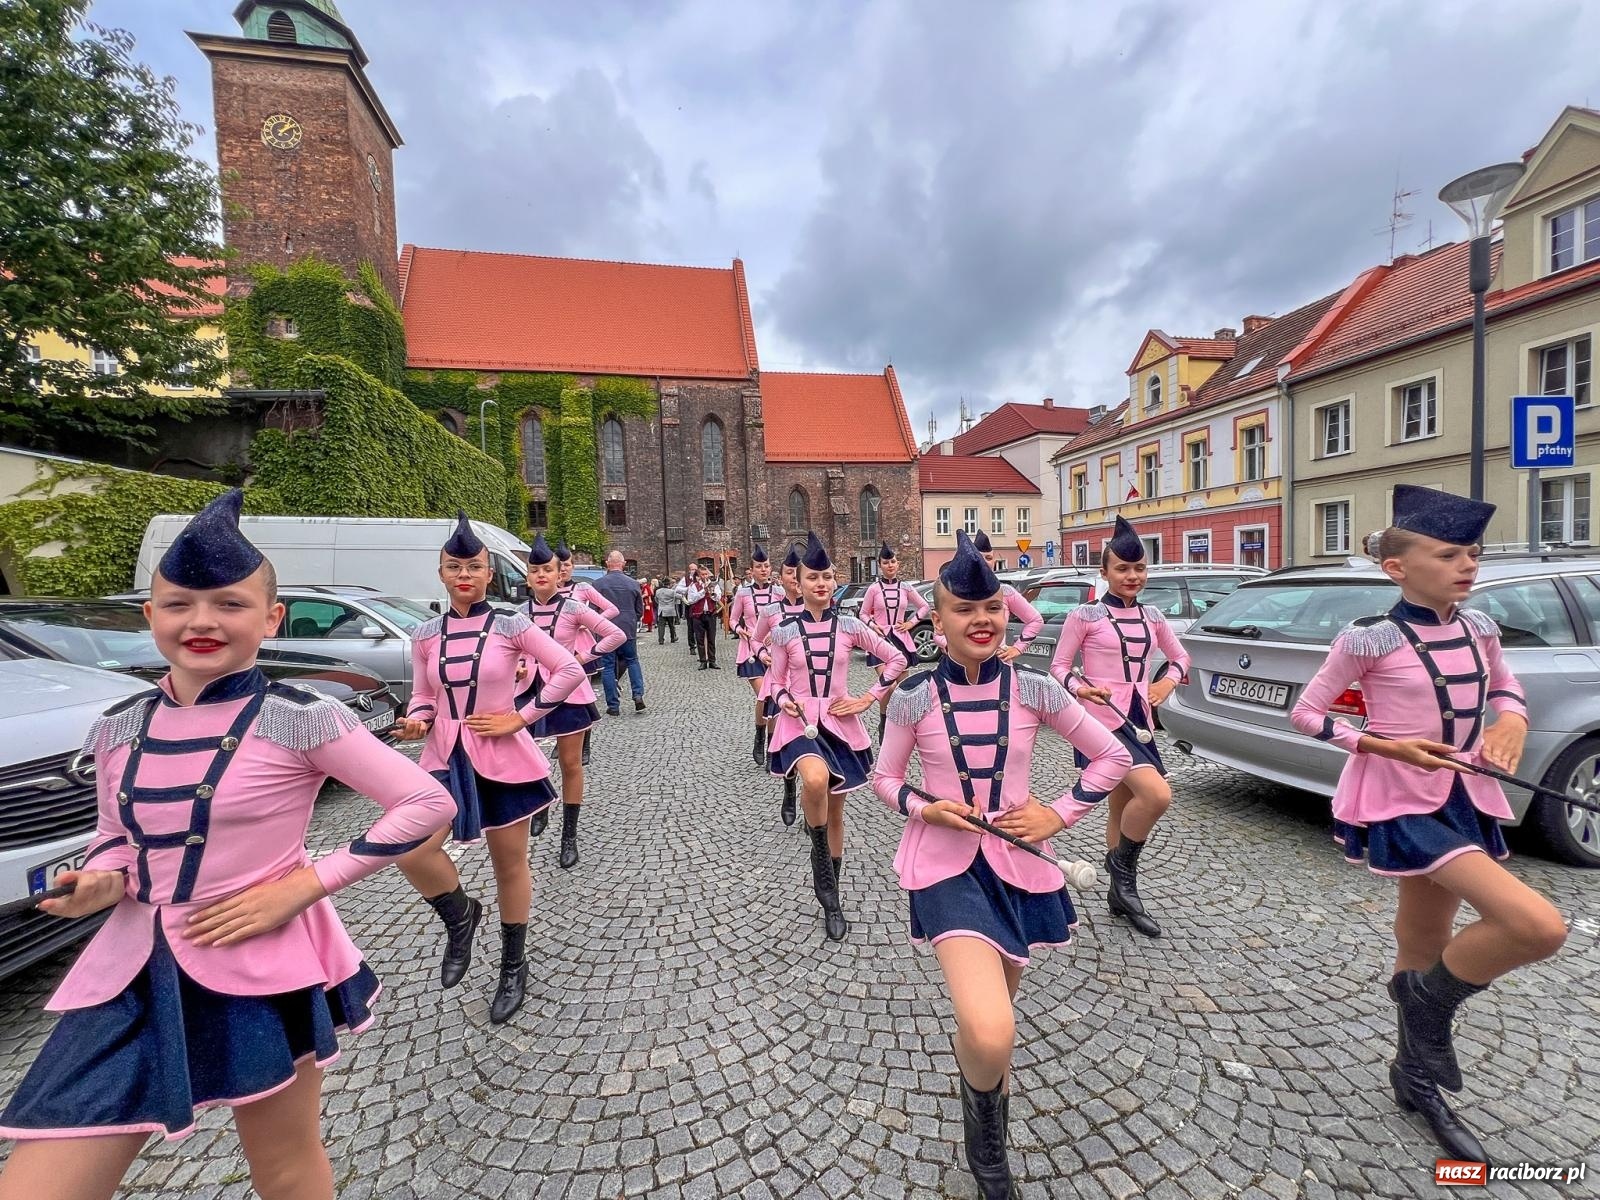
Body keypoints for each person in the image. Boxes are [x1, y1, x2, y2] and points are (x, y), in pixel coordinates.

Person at [0, 490, 455, 1199]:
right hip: (130, 974)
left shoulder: (300, 718)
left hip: (260, 968)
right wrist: (99, 881)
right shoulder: (119, 726)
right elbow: (119, 839)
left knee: (284, 1166)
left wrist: (306, 885)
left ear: (271, 618)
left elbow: (426, 800)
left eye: (230, 604)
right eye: (179, 603)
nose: (202, 621)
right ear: (150, 616)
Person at [1290, 485, 1566, 1164]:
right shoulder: (1369, 637)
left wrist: (1512, 722)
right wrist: (1384, 745)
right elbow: (1308, 714)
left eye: (1472, 554)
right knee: (1537, 926)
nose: (1467, 565)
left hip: (1462, 795)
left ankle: (1413, 1074)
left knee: (1424, 935)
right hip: (1399, 798)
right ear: (1398, 568)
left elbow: (1505, 688)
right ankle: (1425, 1004)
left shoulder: (1482, 629)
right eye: (1448, 555)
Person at [873, 530, 1132, 1197]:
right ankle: (988, 1156)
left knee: (993, 1030)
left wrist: (1058, 814)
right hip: (944, 871)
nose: (981, 619)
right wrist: (925, 809)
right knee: (993, 1027)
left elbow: (1114, 757)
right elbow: (884, 779)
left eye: (991, 607)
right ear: (939, 621)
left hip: (1022, 868)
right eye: (964, 609)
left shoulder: (1036, 690)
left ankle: (981, 1085)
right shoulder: (913, 699)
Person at [394, 514, 586, 1024]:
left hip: (502, 758)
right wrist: (417, 719)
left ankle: (512, 964)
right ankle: (460, 916)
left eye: (474, 566)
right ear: (440, 573)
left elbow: (567, 669)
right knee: (412, 849)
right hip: (441, 758)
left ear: (489, 574)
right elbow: (422, 695)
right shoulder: (425, 634)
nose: (464, 574)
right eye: (454, 566)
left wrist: (520, 717)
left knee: (509, 864)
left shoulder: (510, 624)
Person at [1047, 516, 1189, 938]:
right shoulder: (1085, 615)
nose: (1133, 576)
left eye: (1140, 568)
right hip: (1102, 725)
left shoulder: (1153, 617)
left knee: (1123, 804)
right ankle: (1124, 874)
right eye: (1123, 569)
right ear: (1105, 571)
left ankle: (1118, 891)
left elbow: (1181, 658)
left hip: (1139, 721)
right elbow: (1058, 667)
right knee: (1157, 794)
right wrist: (1081, 689)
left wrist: (1165, 681)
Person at [766, 532, 907, 940]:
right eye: (812, 578)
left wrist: (868, 698)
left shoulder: (850, 625)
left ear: (834, 579)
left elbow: (897, 658)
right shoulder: (783, 632)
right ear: (797, 582)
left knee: (836, 815)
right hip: (799, 723)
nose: (821, 584)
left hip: (841, 722)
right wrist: (784, 697)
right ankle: (821, 867)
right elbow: (773, 681)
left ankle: (832, 894)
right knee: (814, 778)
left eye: (827, 576)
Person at [521, 535, 626, 870]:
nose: (541, 575)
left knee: (570, 763)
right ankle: (539, 804)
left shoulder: (574, 607)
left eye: (547, 569)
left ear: (559, 575)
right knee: (527, 756)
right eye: (534, 569)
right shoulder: (517, 615)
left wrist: (585, 655)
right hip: (528, 691)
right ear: (527, 576)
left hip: (568, 692)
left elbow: (615, 634)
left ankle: (569, 835)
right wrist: (517, 666)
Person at [753, 545, 809, 825]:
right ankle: (789, 786)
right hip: (780, 681)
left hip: (812, 686)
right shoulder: (771, 610)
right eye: (790, 573)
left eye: (800, 574)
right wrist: (762, 653)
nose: (796, 579)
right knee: (786, 737)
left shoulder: (821, 608)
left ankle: (813, 812)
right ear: (782, 578)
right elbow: (755, 639)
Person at [556, 542, 620, 768]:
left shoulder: (582, 588)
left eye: (567, 565)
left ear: (573, 567)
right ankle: (561, 734)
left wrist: (589, 623)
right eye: (560, 565)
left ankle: (585, 742)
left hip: (581, 649)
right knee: (557, 694)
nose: (563, 569)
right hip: (555, 650)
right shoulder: (548, 592)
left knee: (580, 697)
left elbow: (611, 609)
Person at [932, 531, 1044, 660]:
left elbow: (1035, 620)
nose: (984, 562)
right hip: (960, 666)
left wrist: (1018, 648)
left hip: (999, 664)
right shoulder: (953, 593)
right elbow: (938, 632)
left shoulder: (1005, 591)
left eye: (989, 558)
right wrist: (953, 647)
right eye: (965, 609)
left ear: (994, 561)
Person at [859, 541, 931, 732]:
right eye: (885, 562)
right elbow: (863, 614)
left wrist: (911, 622)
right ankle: (884, 723)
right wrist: (873, 626)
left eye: (893, 561)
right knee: (888, 687)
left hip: (901, 640)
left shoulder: (906, 587)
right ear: (880, 565)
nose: (890, 565)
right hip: (881, 641)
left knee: (905, 688)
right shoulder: (874, 589)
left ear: (897, 564)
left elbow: (924, 607)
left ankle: (905, 728)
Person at [728, 545, 782, 765]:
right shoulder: (743, 593)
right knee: (765, 695)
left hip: (774, 652)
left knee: (774, 699)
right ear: (751, 570)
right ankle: (759, 736)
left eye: (766, 566)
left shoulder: (778, 593)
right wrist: (741, 630)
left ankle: (771, 746)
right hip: (750, 651)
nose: (763, 570)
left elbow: (786, 618)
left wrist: (776, 632)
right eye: (759, 566)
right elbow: (732, 620)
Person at [592, 550, 646, 713]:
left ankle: (613, 705)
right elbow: (639, 610)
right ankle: (638, 695)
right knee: (632, 661)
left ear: (607, 564)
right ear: (623, 564)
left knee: (608, 666)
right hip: (627, 629)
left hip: (606, 630)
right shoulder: (633, 584)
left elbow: (592, 611)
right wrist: (631, 621)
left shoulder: (598, 584)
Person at [684, 566, 723, 670]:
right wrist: (703, 591)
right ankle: (703, 661)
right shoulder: (693, 586)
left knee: (711, 638)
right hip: (698, 615)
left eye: (706, 574)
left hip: (710, 614)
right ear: (699, 575)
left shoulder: (714, 585)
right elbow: (691, 600)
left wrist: (712, 593)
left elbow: (718, 597)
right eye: (702, 574)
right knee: (699, 639)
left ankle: (712, 661)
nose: (705, 576)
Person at [655, 577, 681, 644]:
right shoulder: (672, 592)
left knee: (661, 626)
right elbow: (679, 597)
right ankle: (673, 638)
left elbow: (656, 600)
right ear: (669, 584)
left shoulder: (658, 591)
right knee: (671, 625)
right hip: (670, 610)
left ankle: (661, 640)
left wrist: (660, 604)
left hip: (661, 610)